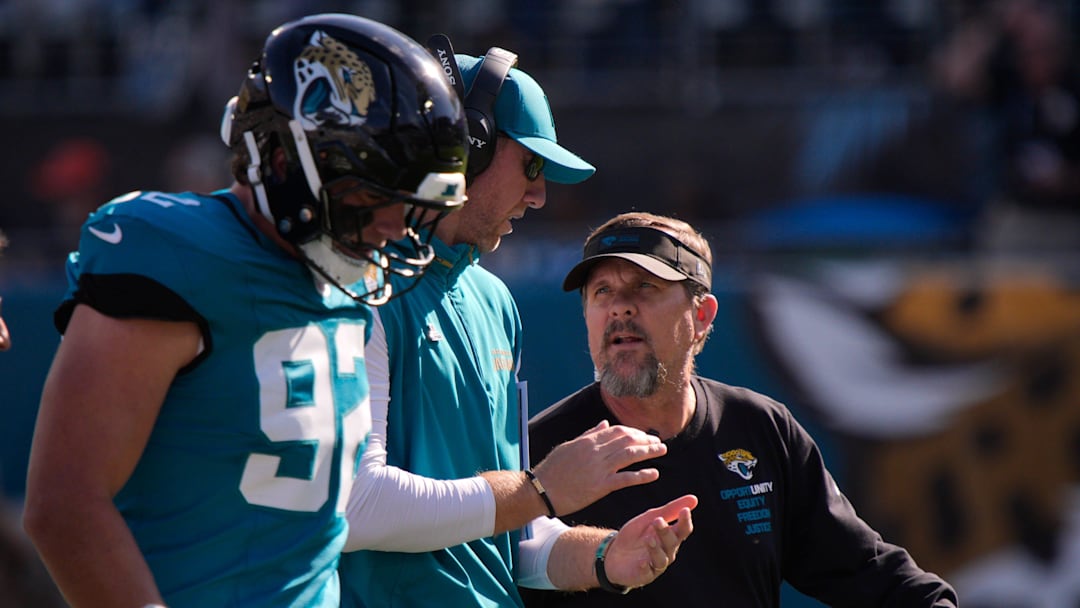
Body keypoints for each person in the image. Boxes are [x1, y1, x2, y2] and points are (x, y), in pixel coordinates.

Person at [22, 14, 472, 607]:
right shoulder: (174, 251)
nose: (392, 226)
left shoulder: (344, 279)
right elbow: (65, 505)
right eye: (372, 195)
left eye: (405, 202)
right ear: (283, 163)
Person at [338, 49, 696, 606]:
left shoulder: (496, 300)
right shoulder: (357, 285)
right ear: (465, 147)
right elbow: (357, 507)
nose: (540, 195)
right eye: (531, 165)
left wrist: (606, 557)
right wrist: (542, 488)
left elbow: (509, 537)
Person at [524, 211, 961, 607]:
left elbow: (864, 571)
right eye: (602, 291)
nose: (620, 306)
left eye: (646, 286)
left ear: (702, 316)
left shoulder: (761, 428)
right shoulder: (539, 452)